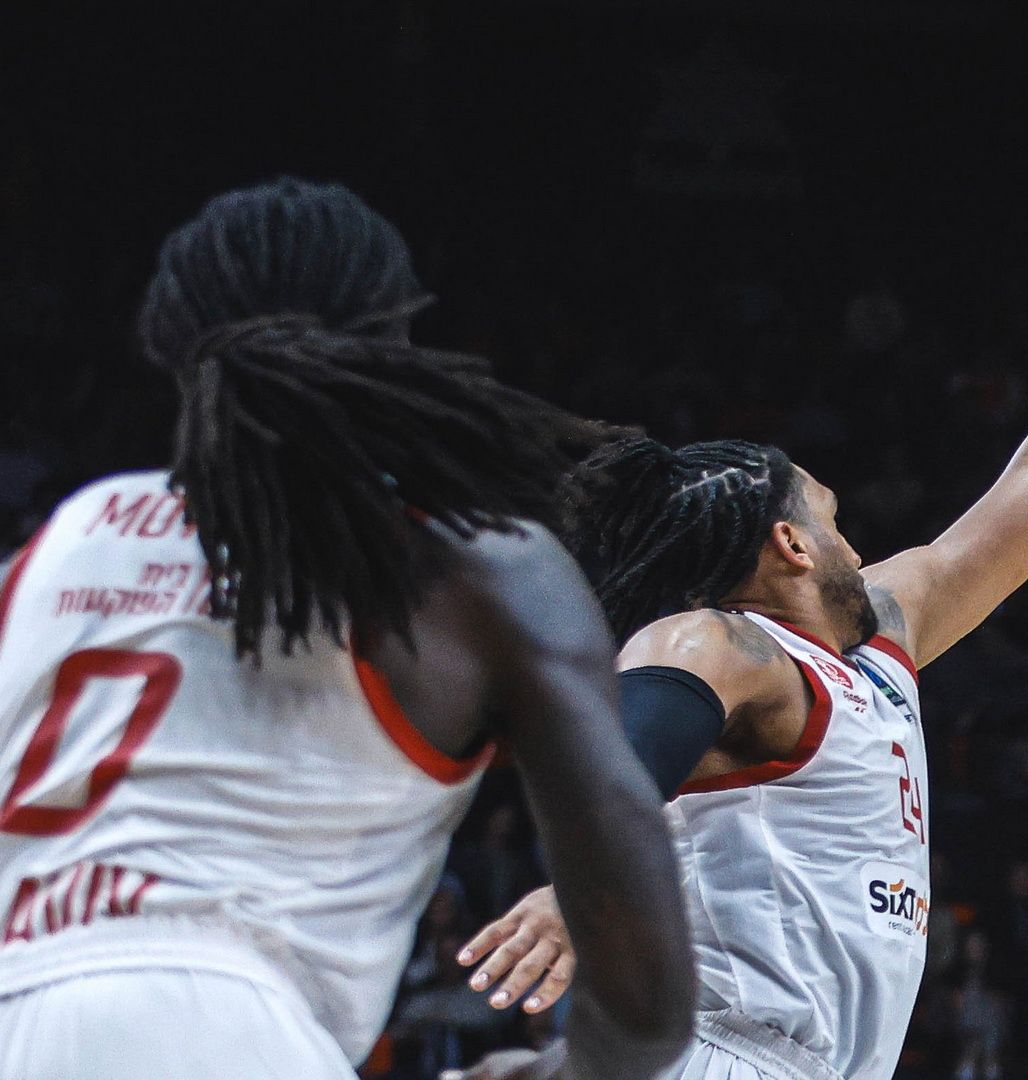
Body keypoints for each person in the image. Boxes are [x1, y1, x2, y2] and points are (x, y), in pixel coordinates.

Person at [457, 186, 1028, 1079]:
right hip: (721, 1051)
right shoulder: (718, 644)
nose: (854, 541)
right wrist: (580, 887)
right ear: (792, 545)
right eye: (832, 517)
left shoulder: (881, 637)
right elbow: (619, 764)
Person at [0, 179, 693, 1079]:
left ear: (170, 346)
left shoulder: (50, 549)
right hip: (228, 1030)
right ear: (397, 345)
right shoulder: (468, 568)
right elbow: (643, 1001)